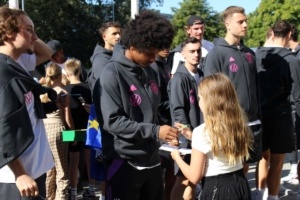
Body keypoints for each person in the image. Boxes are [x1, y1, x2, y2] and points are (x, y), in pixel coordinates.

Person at [94, 10, 178, 200]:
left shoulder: (151, 70)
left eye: (155, 54)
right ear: (132, 46)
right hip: (124, 162)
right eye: (149, 53)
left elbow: (153, 111)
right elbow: (112, 122)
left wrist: (168, 131)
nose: (152, 58)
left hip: (152, 159)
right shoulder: (111, 74)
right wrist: (155, 131)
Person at [171, 73, 253, 200]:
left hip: (217, 188)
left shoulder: (201, 132)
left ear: (209, 102)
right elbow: (220, 142)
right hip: (240, 184)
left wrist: (177, 157)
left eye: (200, 98)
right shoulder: (239, 124)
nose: (199, 103)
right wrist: (193, 137)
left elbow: (194, 176)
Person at [0, 6, 54, 199]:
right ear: (7, 32)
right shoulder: (3, 71)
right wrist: (19, 173)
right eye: (29, 29)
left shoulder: (17, 63)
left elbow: (47, 52)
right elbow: (2, 126)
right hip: (15, 178)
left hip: (32, 171)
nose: (35, 36)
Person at [203, 6, 262, 172]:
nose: (245, 25)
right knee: (232, 169)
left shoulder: (249, 53)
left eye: (246, 21)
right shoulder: (216, 54)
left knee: (246, 168)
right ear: (227, 24)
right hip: (230, 123)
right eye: (240, 22)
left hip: (252, 121)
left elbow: (256, 87)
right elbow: (210, 93)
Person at [255, 20, 300, 200]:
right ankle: (272, 196)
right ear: (289, 35)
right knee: (277, 161)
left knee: (262, 158)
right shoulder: (291, 60)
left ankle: (259, 194)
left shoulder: (257, 55)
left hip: (260, 114)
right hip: (281, 115)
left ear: (272, 33)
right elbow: (296, 95)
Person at [168, 37, 203, 200]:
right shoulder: (179, 79)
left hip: (201, 136)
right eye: (192, 51)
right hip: (187, 138)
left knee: (193, 180)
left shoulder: (201, 75)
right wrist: (187, 134)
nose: (196, 55)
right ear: (183, 54)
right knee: (183, 179)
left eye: (198, 51)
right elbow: (177, 110)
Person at [41, 63, 73, 200]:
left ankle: (49, 197)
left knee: (49, 169)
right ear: (60, 75)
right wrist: (72, 135)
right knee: (62, 168)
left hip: (44, 131)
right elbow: (67, 118)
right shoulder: (63, 92)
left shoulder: (42, 92)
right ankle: (62, 197)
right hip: (58, 130)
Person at [63, 58, 94, 200]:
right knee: (89, 160)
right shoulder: (88, 87)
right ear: (80, 71)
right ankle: (92, 189)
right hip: (89, 128)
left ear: (67, 73)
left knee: (73, 161)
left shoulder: (65, 91)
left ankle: (73, 191)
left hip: (71, 130)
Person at [89, 21, 121, 95]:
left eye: (119, 33)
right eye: (114, 34)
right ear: (104, 36)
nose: (118, 36)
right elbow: (107, 85)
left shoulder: (120, 55)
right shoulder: (100, 60)